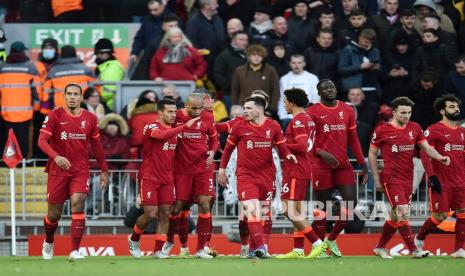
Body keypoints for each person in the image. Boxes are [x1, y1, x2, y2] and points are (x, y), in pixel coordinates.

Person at [369, 96, 449, 259]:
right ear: (394, 112)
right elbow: (371, 153)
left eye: (409, 112)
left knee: (395, 216)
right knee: (402, 212)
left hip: (408, 178)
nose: (406, 116)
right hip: (390, 177)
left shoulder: (415, 128)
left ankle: (380, 247)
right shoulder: (382, 130)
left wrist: (440, 157)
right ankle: (415, 250)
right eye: (403, 112)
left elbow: (426, 148)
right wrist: (376, 178)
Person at [218, 96, 296, 259]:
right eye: (244, 108)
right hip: (246, 176)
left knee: (262, 214)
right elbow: (227, 150)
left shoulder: (273, 125)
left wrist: (288, 156)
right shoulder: (239, 126)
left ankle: (257, 247)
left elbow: (282, 147)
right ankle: (257, 247)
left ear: (259, 109)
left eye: (248, 108)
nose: (244, 111)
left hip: (267, 177)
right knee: (252, 210)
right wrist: (222, 171)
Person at [38, 83, 109, 260]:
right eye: (69, 94)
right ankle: (48, 240)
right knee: (54, 215)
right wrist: (56, 157)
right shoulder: (54, 115)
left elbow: (97, 146)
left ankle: (75, 250)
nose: (72, 97)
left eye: (76, 94)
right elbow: (41, 141)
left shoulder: (91, 118)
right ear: (64, 96)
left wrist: (104, 170)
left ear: (81, 97)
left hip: (80, 170)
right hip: (57, 170)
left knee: (78, 202)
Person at [128, 98, 200, 259]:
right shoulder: (151, 126)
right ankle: (134, 239)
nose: (173, 115)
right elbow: (160, 136)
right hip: (149, 177)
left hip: (167, 179)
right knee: (150, 214)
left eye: (175, 111)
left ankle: (158, 250)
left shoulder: (175, 130)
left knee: (164, 214)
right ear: (160, 113)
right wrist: (183, 127)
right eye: (169, 111)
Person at [306, 79, 368, 258]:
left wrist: (362, 163)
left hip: (343, 165)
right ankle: (319, 248)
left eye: (331, 86)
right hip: (320, 166)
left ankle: (332, 239)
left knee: (351, 201)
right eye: (325, 88)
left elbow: (353, 139)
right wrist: (321, 152)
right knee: (323, 206)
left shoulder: (347, 109)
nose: (329, 90)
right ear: (319, 93)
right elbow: (306, 142)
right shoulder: (312, 112)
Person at [163, 93, 218, 259]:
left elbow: (215, 139)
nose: (197, 111)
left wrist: (212, 151)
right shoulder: (176, 116)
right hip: (181, 169)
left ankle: (201, 249)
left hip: (203, 167)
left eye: (200, 108)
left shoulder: (207, 117)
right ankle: (169, 241)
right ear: (186, 106)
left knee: (205, 204)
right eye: (194, 108)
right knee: (176, 207)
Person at [275, 88, 327, 259]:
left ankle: (317, 243)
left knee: (286, 207)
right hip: (302, 167)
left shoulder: (298, 121)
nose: (284, 105)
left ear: (292, 102)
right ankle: (298, 250)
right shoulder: (308, 119)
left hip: (296, 169)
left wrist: (280, 144)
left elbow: (303, 146)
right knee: (296, 209)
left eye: (285, 102)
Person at [416, 94, 465, 258]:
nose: (456, 109)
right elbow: (425, 154)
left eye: (457, 106)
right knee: (440, 216)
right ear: (442, 111)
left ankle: (459, 249)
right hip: (442, 181)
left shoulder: (462, 132)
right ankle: (420, 237)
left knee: (463, 213)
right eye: (452, 106)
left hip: (461, 181)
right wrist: (432, 176)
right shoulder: (433, 130)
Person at [0, 41, 42, 157]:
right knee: (23, 139)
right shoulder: (30, 67)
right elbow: (36, 90)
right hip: (25, 111)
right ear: (23, 51)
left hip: (5, 111)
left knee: (7, 139)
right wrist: (37, 107)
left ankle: (8, 164)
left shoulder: (2, 67)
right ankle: (21, 163)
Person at [41, 45, 95, 115]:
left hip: (60, 112)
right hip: (82, 111)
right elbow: (95, 89)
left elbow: (47, 94)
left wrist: (45, 110)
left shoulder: (53, 71)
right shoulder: (86, 70)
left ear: (61, 55)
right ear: (75, 54)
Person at [231, 44, 280, 113]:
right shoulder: (239, 71)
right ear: (248, 56)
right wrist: (235, 106)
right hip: (243, 108)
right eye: (254, 55)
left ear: (263, 57)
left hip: (264, 109)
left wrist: (272, 109)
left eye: (259, 55)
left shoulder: (270, 71)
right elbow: (234, 90)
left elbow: (276, 91)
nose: (256, 58)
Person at [338, 28, 382, 103]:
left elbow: (380, 72)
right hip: (353, 90)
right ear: (360, 38)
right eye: (365, 41)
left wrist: (377, 68)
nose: (366, 44)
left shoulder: (375, 51)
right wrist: (360, 67)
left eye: (369, 42)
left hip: (372, 89)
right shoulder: (348, 50)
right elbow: (341, 70)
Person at [278, 54, 319, 128]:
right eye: (294, 63)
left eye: (299, 63)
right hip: (288, 118)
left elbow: (316, 99)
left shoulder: (312, 78)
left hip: (307, 116)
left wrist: (311, 115)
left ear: (304, 63)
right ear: (290, 64)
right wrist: (283, 117)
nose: (296, 65)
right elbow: (281, 100)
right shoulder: (284, 79)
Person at [186, 0, 225, 72]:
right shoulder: (193, 22)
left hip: (219, 62)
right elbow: (191, 44)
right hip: (203, 64)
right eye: (215, 4)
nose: (218, 6)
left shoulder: (218, 19)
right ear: (206, 6)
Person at [213, 30, 248, 111]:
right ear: (233, 41)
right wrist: (231, 86)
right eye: (241, 40)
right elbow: (217, 75)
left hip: (247, 94)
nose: (244, 42)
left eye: (246, 40)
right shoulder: (223, 56)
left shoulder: (249, 55)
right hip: (230, 95)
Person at [94, 38, 125, 111]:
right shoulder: (105, 67)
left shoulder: (112, 68)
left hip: (109, 107)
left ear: (109, 53)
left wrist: (93, 96)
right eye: (98, 53)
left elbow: (109, 92)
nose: (98, 56)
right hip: (106, 105)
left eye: (101, 53)